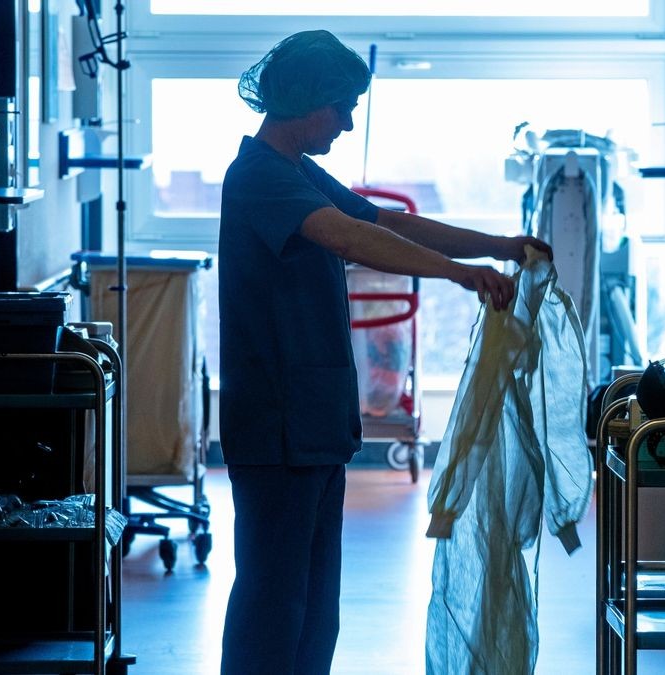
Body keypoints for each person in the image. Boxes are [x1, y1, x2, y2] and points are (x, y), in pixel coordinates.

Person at [217, 29, 552, 675]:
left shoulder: (294, 171)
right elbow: (347, 236)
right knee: (273, 596)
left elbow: (387, 223)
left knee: (315, 602)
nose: (345, 122)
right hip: (275, 423)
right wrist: (459, 274)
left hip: (311, 420)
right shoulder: (257, 176)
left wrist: (497, 245)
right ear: (302, 99)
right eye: (339, 106)